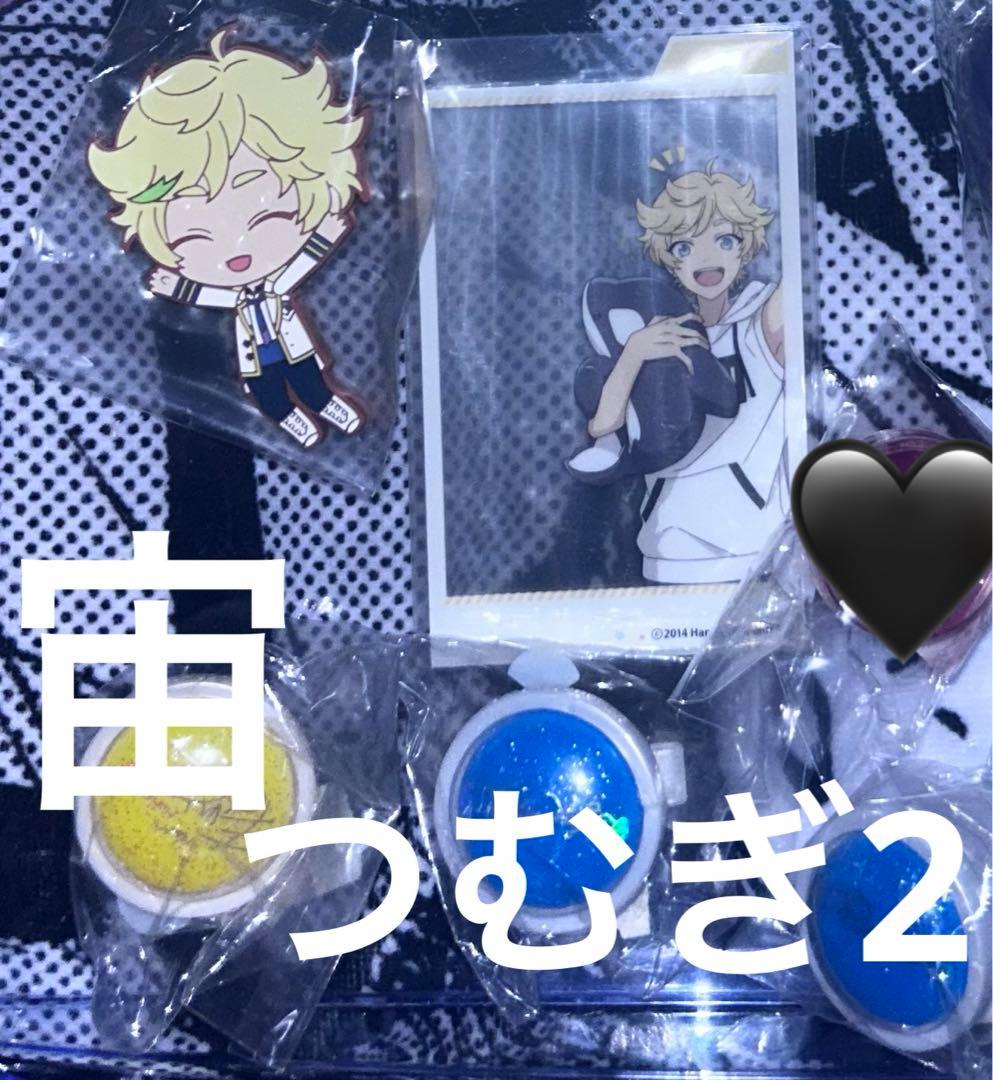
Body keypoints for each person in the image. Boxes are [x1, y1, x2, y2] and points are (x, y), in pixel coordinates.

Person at [87, 29, 370, 448]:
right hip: (255, 359)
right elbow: (209, 294)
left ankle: (327, 405)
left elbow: (304, 260)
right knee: (268, 394)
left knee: (309, 381)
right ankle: (290, 418)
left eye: (264, 216)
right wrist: (174, 285)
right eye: (194, 237)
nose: (233, 243)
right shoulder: (237, 295)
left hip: (294, 345)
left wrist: (328, 230)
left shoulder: (280, 283)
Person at [568, 160, 788, 584]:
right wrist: (634, 353)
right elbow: (603, 426)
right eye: (684, 247)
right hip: (668, 541)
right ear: (669, 259)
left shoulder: (759, 322)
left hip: (752, 543)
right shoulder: (647, 332)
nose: (706, 258)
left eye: (724, 239)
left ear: (744, 246)